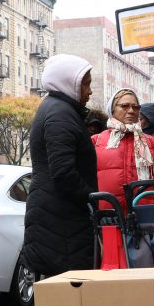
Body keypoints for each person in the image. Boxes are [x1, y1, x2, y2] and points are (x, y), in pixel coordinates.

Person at [22, 54, 97, 278]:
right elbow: (63, 172)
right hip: (61, 223)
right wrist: (93, 198)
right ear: (68, 82)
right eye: (85, 83)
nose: (90, 91)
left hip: (57, 219)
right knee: (66, 297)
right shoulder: (60, 114)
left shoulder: (59, 110)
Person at [93, 89, 154, 213]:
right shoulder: (96, 141)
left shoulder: (151, 142)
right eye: (124, 106)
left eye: (136, 107)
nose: (131, 111)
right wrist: (97, 207)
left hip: (146, 217)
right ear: (112, 109)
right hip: (108, 218)